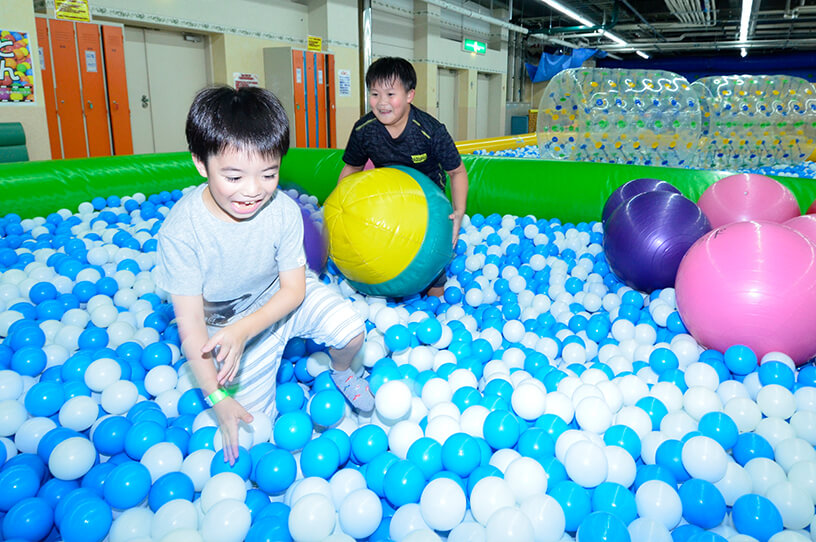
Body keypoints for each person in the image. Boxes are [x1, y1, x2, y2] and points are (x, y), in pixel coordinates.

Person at [154, 85, 373, 465]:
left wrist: (246, 330)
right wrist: (219, 400)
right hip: (228, 329)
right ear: (201, 163)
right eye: (234, 177)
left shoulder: (282, 211)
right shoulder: (182, 232)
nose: (253, 191)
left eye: (269, 174)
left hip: (279, 302)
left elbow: (293, 290)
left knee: (352, 330)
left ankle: (340, 372)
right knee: (253, 436)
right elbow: (191, 330)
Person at [338, 56, 468, 296]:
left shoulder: (430, 131)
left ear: (409, 95)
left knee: (433, 274)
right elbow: (352, 168)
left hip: (430, 208)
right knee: (380, 253)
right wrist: (341, 206)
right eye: (374, 94)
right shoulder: (364, 130)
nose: (381, 103)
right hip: (388, 203)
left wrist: (459, 212)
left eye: (390, 94)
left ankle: (434, 303)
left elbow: (457, 171)